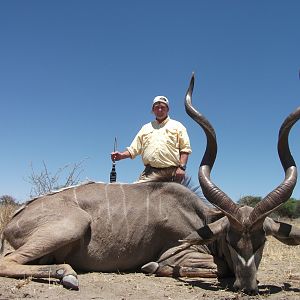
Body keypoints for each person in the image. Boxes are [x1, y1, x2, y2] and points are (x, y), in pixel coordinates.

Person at [110, 96, 192, 183]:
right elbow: (134, 149)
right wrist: (121, 155)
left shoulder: (178, 126)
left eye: (163, 107)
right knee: (134, 194)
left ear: (168, 109)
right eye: (157, 107)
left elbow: (185, 149)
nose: (160, 110)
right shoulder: (145, 128)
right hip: (149, 173)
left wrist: (182, 168)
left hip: (171, 173)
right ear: (153, 110)